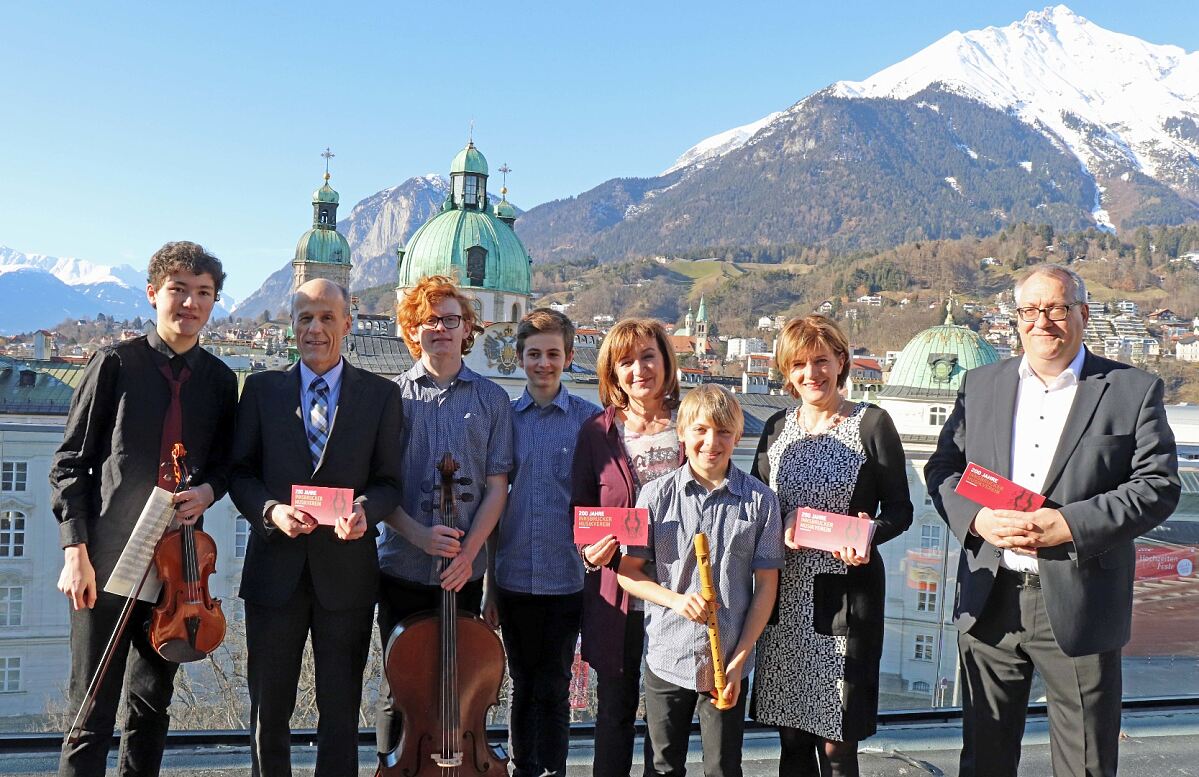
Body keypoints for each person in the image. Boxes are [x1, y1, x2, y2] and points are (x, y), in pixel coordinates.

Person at [925, 264, 1180, 777]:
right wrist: (977, 521)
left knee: (1084, 763)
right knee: (984, 761)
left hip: (1081, 601)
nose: (1043, 321)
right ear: (1016, 319)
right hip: (990, 597)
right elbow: (944, 469)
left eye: (1057, 308)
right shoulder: (981, 385)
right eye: (1030, 310)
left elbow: (1158, 487)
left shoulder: (1131, 390)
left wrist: (1068, 526)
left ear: (1083, 314)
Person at [51, 241, 238, 777]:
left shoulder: (222, 382)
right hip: (106, 560)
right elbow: (69, 465)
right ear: (154, 293)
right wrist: (74, 551)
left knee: (151, 709)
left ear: (214, 302)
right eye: (179, 290)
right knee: (90, 714)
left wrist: (207, 492)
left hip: (178, 567)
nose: (190, 303)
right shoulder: (114, 363)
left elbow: (227, 465)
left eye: (204, 293)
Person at [230, 278, 404, 777]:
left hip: (346, 576)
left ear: (348, 323)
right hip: (273, 575)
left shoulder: (380, 395)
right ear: (292, 325)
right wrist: (270, 512)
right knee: (269, 712)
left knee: (341, 712)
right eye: (305, 317)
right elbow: (240, 473)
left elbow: (390, 482)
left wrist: (366, 512)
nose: (316, 328)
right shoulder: (261, 390)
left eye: (327, 317)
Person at [750, 314, 912, 777]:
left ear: (841, 361)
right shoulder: (777, 427)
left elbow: (900, 511)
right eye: (798, 364)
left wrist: (868, 533)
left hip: (847, 598)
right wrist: (777, 526)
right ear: (786, 371)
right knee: (792, 739)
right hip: (785, 601)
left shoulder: (872, 424)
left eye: (820, 360)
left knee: (838, 745)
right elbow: (761, 505)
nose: (811, 373)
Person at [374, 274, 513, 763]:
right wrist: (419, 535)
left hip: (465, 574)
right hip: (401, 570)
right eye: (429, 319)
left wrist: (469, 552)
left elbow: (498, 487)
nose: (440, 328)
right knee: (402, 692)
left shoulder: (492, 400)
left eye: (450, 320)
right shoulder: (390, 398)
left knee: (464, 693)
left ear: (465, 329)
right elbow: (380, 490)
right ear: (413, 329)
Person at [619, 384, 782, 777]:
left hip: (728, 657)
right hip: (668, 655)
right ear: (682, 432)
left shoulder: (761, 501)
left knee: (724, 767)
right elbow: (628, 574)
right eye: (702, 430)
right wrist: (675, 601)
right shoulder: (654, 496)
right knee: (661, 765)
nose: (712, 442)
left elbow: (766, 588)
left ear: (738, 437)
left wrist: (741, 657)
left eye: (724, 432)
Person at [571, 317, 683, 777]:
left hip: (678, 595)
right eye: (626, 362)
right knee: (614, 715)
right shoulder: (596, 433)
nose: (639, 369)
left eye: (648, 356)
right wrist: (587, 550)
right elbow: (578, 512)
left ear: (665, 361)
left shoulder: (690, 424)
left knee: (666, 724)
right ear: (613, 373)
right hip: (616, 596)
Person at [495, 309, 601, 777]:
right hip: (513, 574)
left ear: (569, 357)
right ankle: (523, 769)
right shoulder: (504, 419)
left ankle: (554, 770)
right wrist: (488, 590)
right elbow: (492, 502)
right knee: (521, 684)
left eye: (553, 354)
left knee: (555, 685)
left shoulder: (590, 421)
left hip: (567, 576)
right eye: (534, 354)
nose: (543, 363)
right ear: (520, 358)